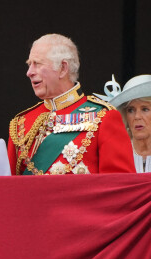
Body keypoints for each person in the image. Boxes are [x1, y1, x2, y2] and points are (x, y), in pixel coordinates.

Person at [8, 33, 135, 175]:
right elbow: (9, 188)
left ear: (63, 68)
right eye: (29, 64)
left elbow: (119, 185)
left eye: (37, 63)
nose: (29, 72)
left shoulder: (103, 117)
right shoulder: (21, 123)